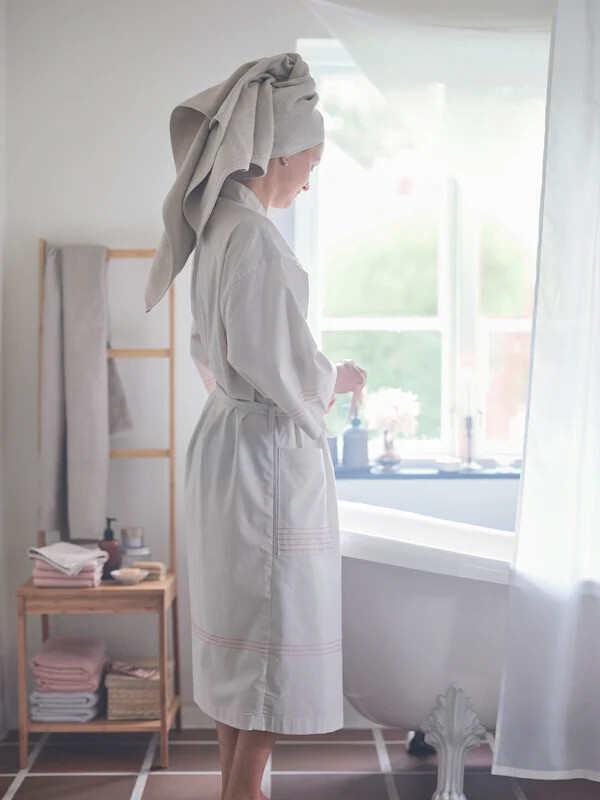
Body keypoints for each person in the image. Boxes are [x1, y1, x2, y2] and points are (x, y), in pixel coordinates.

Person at [145, 53, 366, 800]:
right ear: (281, 153)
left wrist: (310, 379)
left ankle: (238, 787)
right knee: (270, 631)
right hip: (264, 456)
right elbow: (284, 369)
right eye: (313, 162)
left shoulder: (217, 228)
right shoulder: (257, 239)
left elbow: (222, 352)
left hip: (227, 443)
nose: (311, 178)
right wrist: (332, 382)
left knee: (241, 632)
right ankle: (243, 792)